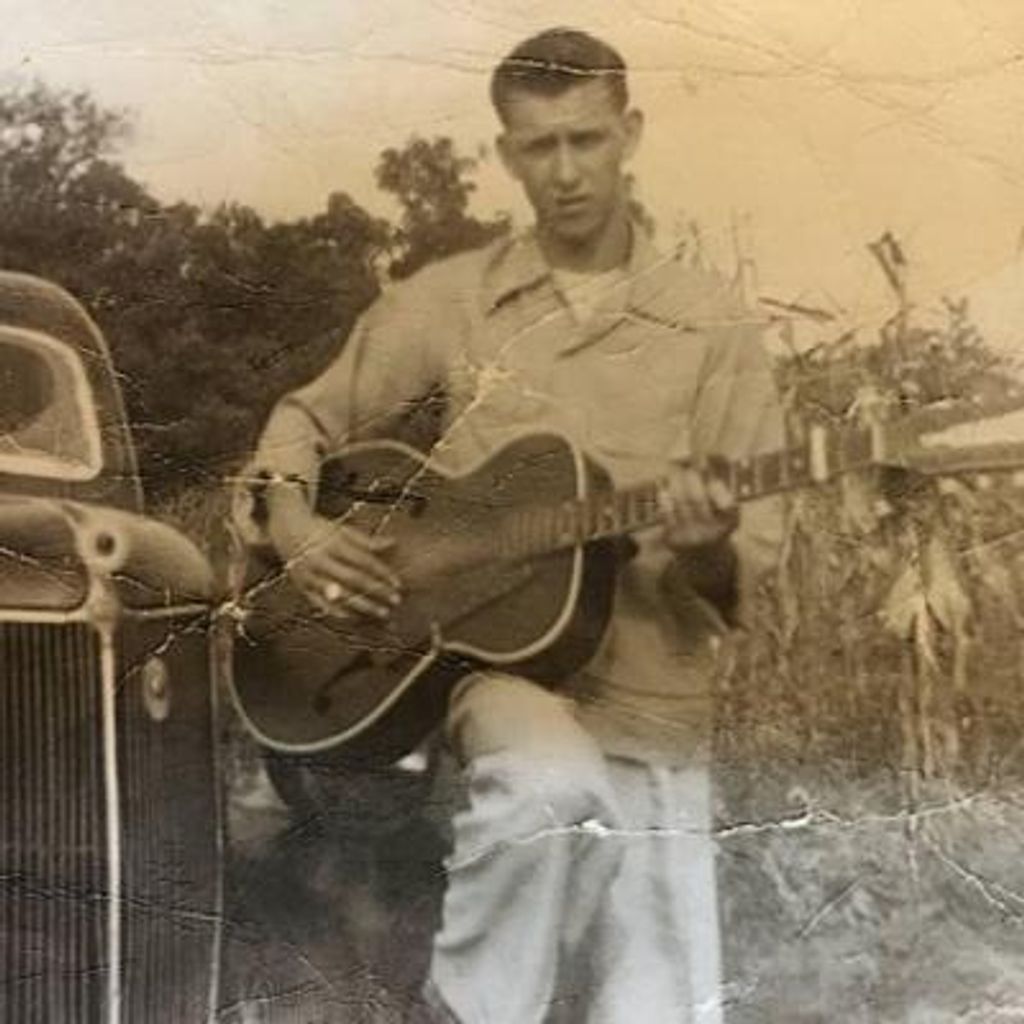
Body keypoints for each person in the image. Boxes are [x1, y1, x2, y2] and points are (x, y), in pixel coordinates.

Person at [242, 27, 784, 1024]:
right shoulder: (454, 299)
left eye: (587, 139)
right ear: (507, 153)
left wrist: (705, 541)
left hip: (651, 701)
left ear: (630, 133)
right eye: (541, 146)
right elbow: (305, 418)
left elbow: (743, 569)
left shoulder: (716, 328)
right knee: (546, 785)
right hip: (499, 677)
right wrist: (292, 523)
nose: (567, 171)